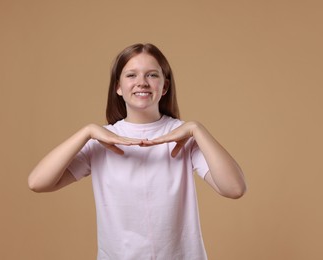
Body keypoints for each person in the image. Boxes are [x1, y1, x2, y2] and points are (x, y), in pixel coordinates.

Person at [28, 43, 246, 259]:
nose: (142, 82)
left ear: (165, 86)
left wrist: (196, 129)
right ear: (118, 87)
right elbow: (37, 182)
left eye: (152, 75)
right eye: (131, 75)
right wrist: (87, 132)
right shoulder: (101, 141)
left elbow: (234, 188)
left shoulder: (184, 137)